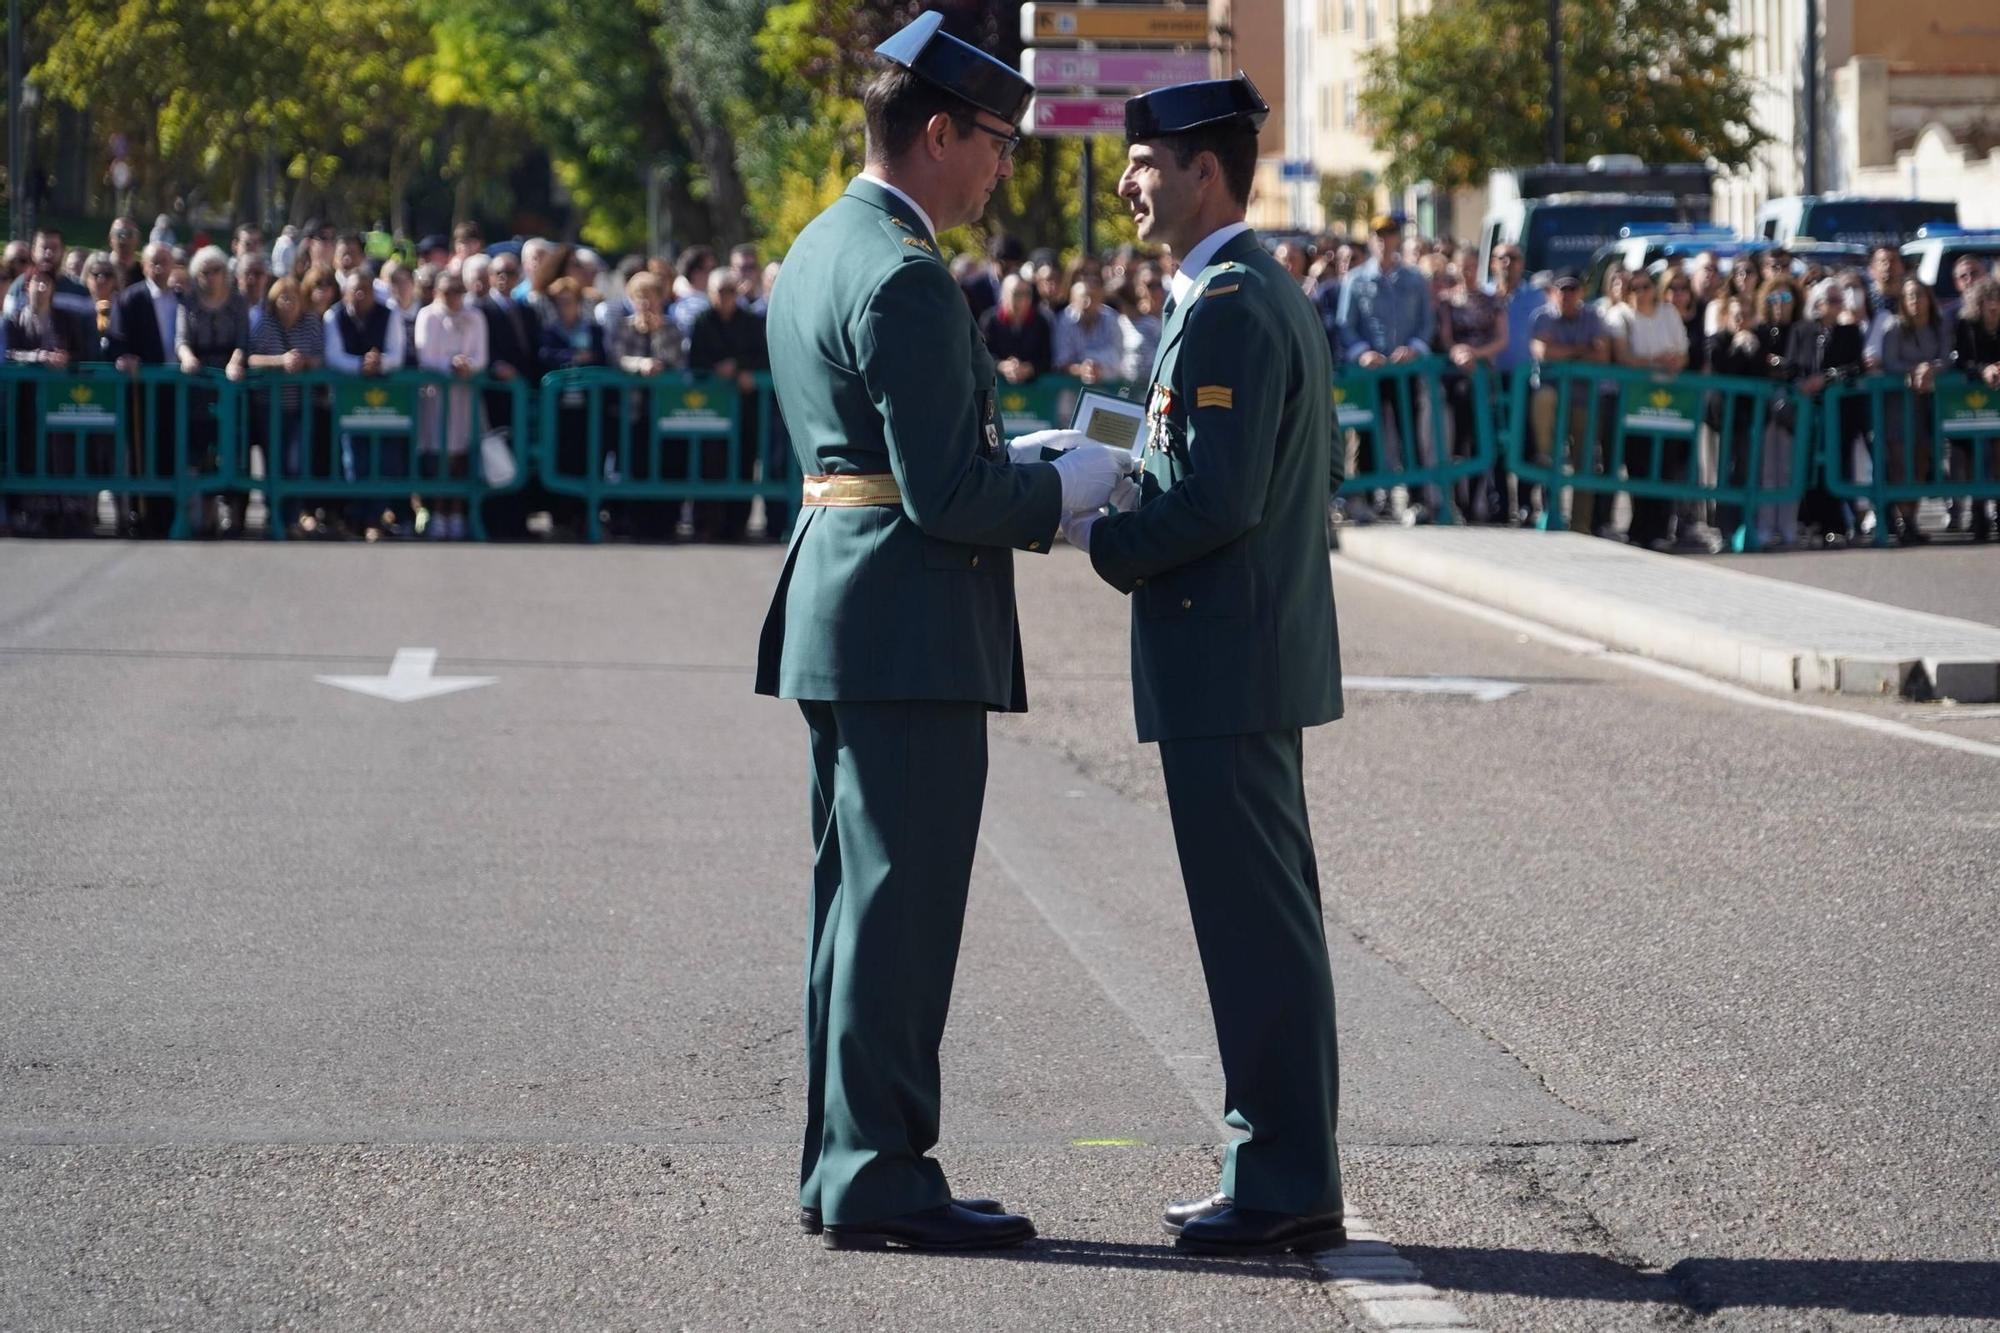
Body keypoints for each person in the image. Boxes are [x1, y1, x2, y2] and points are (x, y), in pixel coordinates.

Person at [752, 11, 1125, 1254]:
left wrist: (1014, 455)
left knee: (854, 906)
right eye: (995, 143)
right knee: (900, 911)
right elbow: (946, 497)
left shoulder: (823, 244)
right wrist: (1065, 490)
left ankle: (838, 1160)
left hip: (846, 604)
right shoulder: (905, 274)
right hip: (905, 618)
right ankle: (878, 1168)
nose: (1003, 166)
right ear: (935, 131)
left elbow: (880, 452)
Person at [1062, 72, 1346, 1259]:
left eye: (1144, 160)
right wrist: (1094, 460)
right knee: (1257, 921)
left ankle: (1280, 1175)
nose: (1127, 179)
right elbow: (1184, 450)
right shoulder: (1221, 290)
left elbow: (1216, 494)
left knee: (1253, 928)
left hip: (1224, 652)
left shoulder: (1229, 298)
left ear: (1203, 170)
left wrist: (1095, 533)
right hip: (1234, 652)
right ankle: (1277, 1162)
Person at [1337, 213, 1437, 519]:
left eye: (1390, 235)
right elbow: (1345, 324)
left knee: (1410, 435)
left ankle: (1417, 499)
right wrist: (1362, 353)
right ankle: (1364, 499)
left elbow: (1426, 323)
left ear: (1397, 240)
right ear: (1371, 240)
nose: (1384, 241)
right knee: (1367, 435)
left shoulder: (1414, 278)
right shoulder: (1356, 279)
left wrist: (1415, 349)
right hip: (1371, 372)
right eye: (1378, 235)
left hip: (1404, 370)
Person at [324, 268, 413, 538]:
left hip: (387, 402)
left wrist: (380, 363)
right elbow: (334, 356)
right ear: (345, 292)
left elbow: (396, 355)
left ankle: (377, 516)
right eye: (355, 290)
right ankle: (358, 517)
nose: (360, 295)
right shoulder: (334, 316)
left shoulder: (390, 313)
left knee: (387, 458)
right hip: (351, 401)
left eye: (365, 290)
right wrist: (360, 365)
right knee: (354, 459)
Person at [688, 268, 769, 541]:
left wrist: (740, 367)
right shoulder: (701, 321)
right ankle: (707, 524)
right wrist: (715, 371)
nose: (726, 297)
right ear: (710, 293)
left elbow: (763, 356)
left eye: (731, 291)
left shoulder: (752, 322)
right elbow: (695, 361)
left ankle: (738, 525)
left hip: (745, 408)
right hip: (710, 409)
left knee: (745, 461)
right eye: (720, 291)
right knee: (709, 463)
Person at [1528, 274, 1612, 536]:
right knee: (1543, 401)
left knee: (1585, 460)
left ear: (1581, 292)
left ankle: (1580, 526)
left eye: (1572, 289)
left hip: (1583, 396)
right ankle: (1545, 453)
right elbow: (1542, 351)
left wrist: (1564, 352)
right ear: (1554, 292)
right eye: (1562, 290)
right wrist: (1580, 350)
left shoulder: (1593, 316)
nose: (1567, 295)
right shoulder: (1543, 316)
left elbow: (1601, 356)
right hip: (1552, 390)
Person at [177, 246, 252, 535]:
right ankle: (204, 514)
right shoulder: (189, 302)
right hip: (199, 384)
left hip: (231, 384)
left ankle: (234, 515)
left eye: (216, 271)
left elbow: (243, 341)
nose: (211, 277)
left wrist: (237, 360)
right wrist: (186, 357)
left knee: (234, 448)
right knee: (200, 451)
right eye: (204, 272)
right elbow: (181, 338)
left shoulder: (237, 302)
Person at [247, 275, 326, 535]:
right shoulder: (265, 323)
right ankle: (275, 515)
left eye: (293, 297)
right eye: (283, 297)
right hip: (269, 406)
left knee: (295, 462)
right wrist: (279, 362)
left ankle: (292, 515)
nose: (288, 303)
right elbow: (252, 358)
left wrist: (305, 363)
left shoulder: (311, 323)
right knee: (275, 463)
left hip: (300, 406)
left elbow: (320, 358)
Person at [1950, 276, 2000, 541]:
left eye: (1997, 299)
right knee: (1972, 457)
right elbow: (1961, 361)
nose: (1993, 306)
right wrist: (1984, 370)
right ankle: (1977, 511)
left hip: (1997, 403)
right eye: (1987, 300)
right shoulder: (1966, 325)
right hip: (1968, 403)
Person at [978, 273, 1053, 384]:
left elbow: (1047, 359)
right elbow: (981, 355)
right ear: (1004, 295)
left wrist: (1029, 368)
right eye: (1017, 294)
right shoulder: (989, 320)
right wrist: (1001, 365)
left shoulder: (1041, 322)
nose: (1023, 299)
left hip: (1034, 390)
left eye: (1027, 294)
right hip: (997, 389)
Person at [1052, 271, 1126, 384]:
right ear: (1072, 300)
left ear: (1101, 300)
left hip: (1107, 386)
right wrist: (1081, 370)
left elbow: (1117, 358)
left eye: (1094, 298)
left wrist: (1098, 369)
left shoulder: (1112, 319)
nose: (1088, 303)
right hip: (1071, 387)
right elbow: (1061, 362)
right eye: (1083, 298)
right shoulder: (1064, 320)